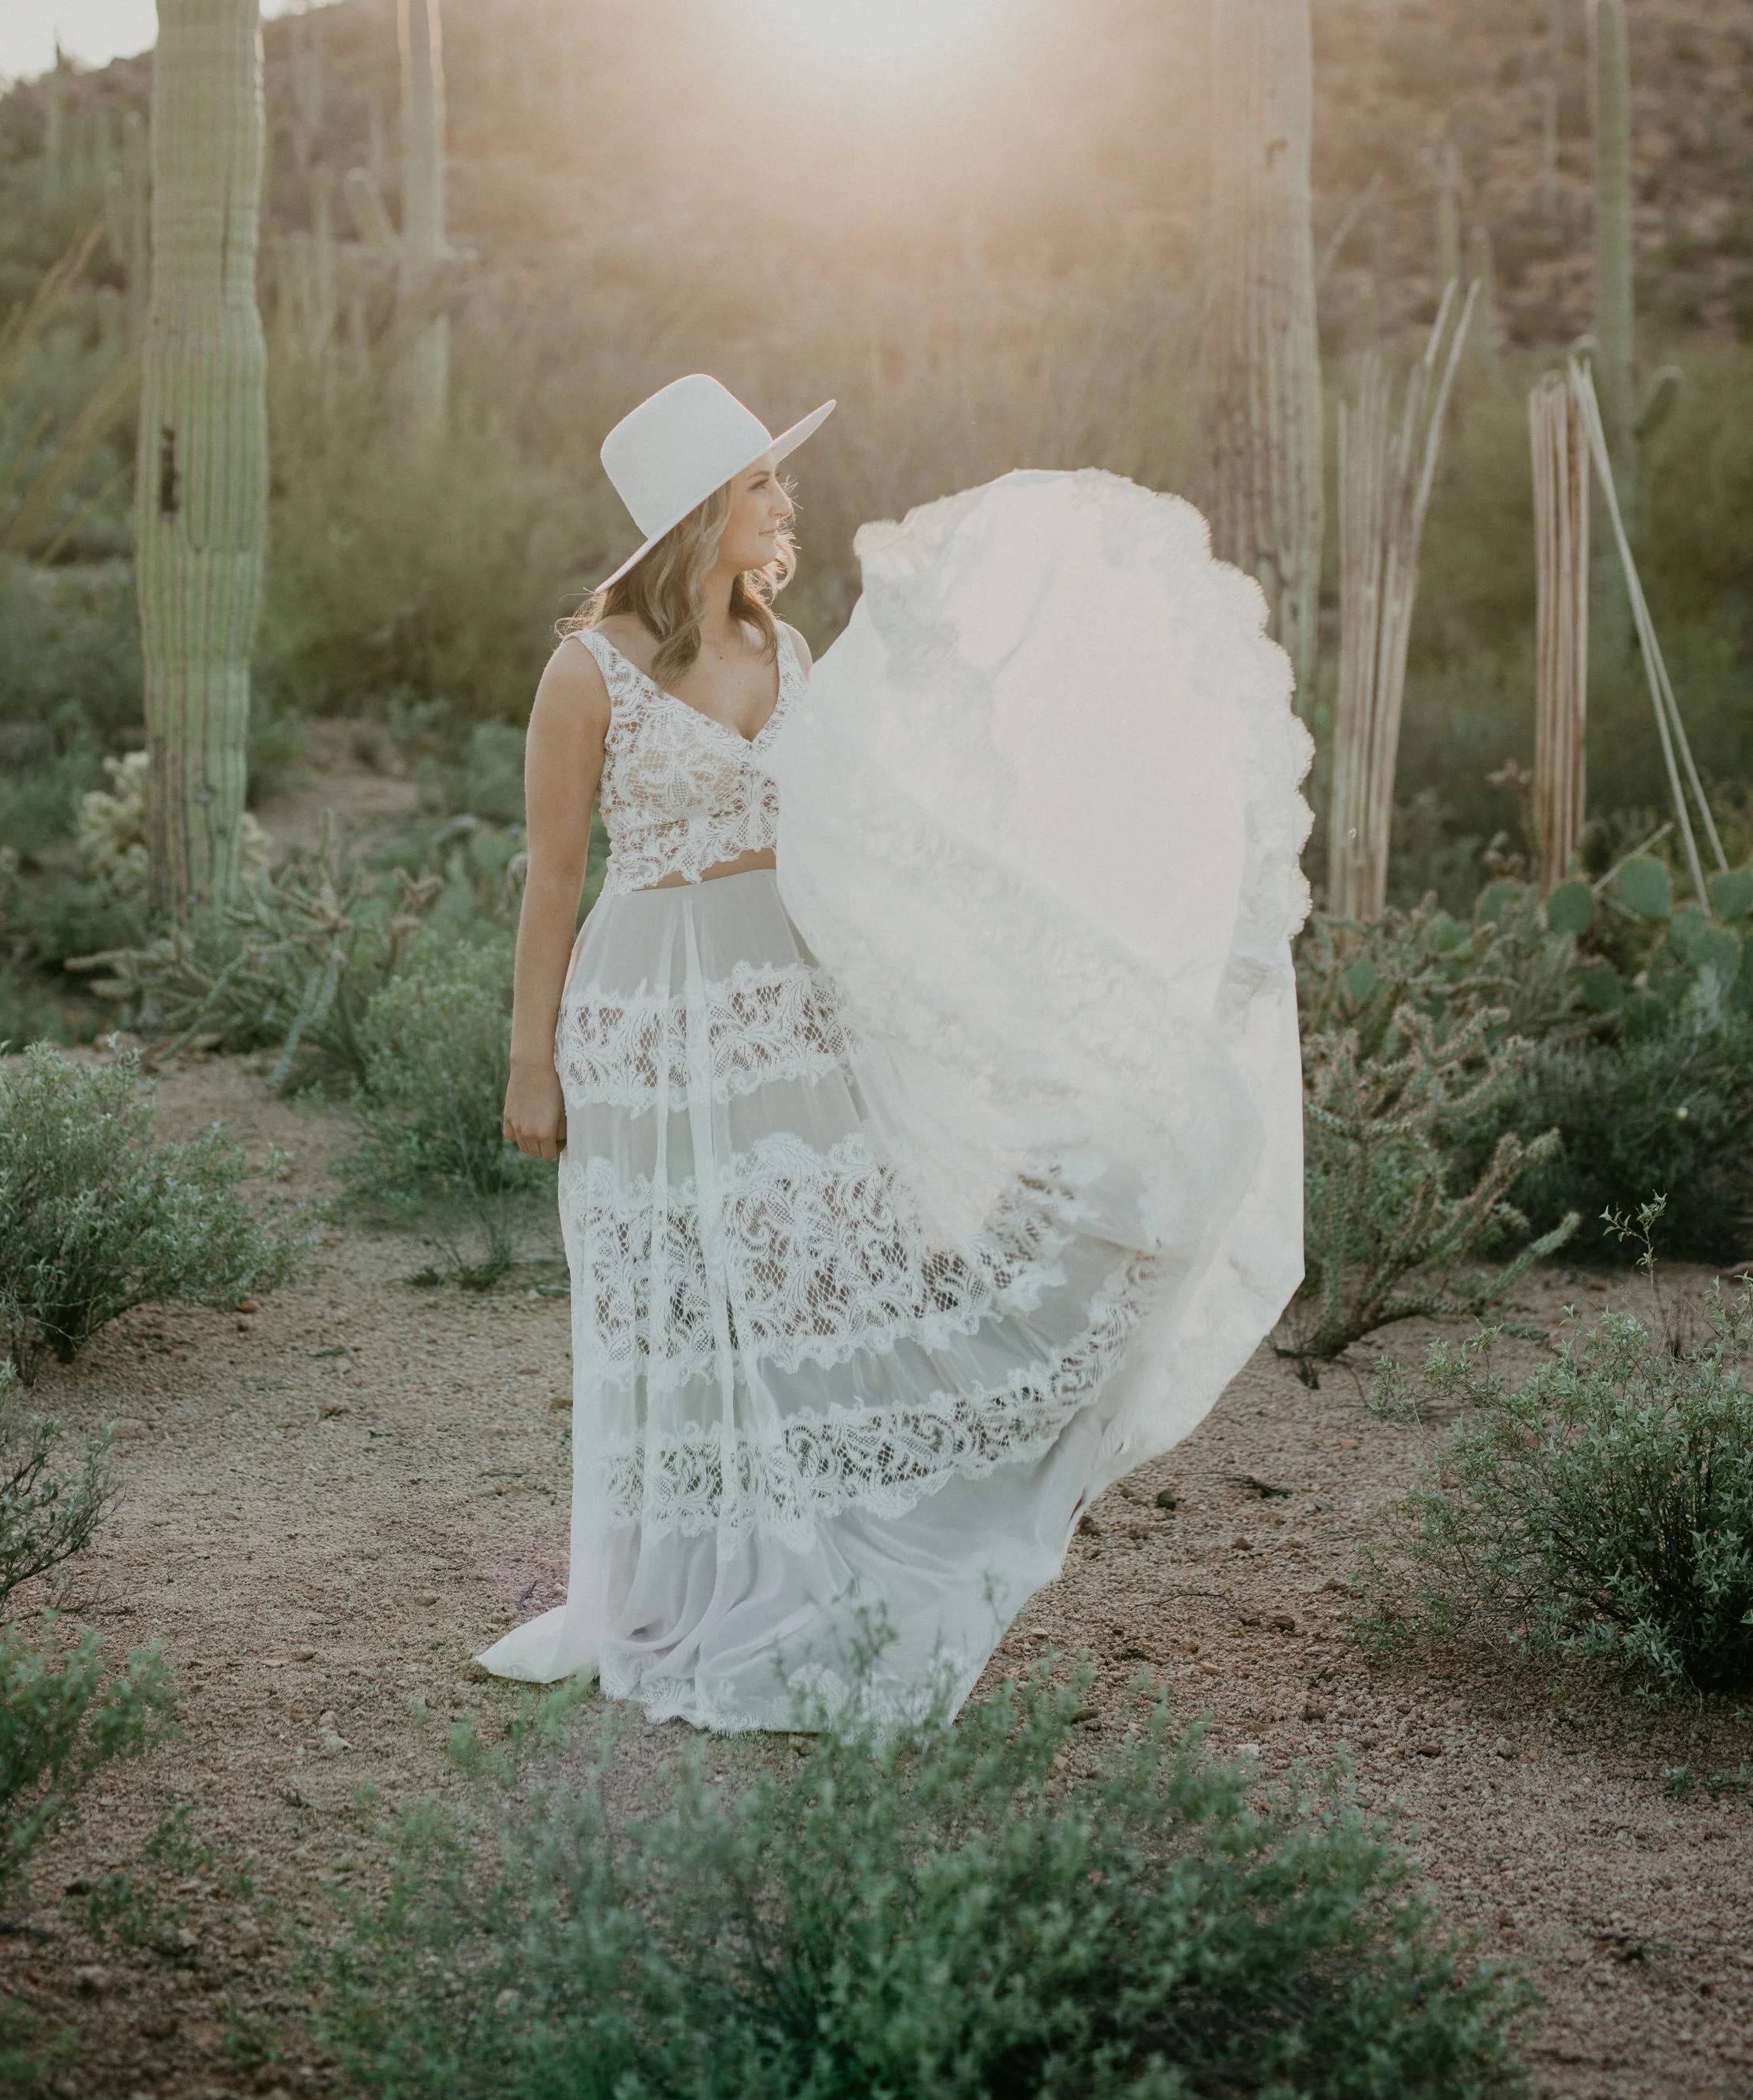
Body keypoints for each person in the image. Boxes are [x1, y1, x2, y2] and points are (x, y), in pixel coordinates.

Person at [482, 372, 1311, 1732]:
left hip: (790, 1000)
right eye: (759, 481)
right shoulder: (585, 675)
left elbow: (856, 827)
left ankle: (812, 1563)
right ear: (701, 510)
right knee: (677, 1290)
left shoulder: (790, 651)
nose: (782, 500)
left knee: (812, 1276)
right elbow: (552, 883)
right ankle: (667, 1582)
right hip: (647, 1012)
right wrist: (532, 1065)